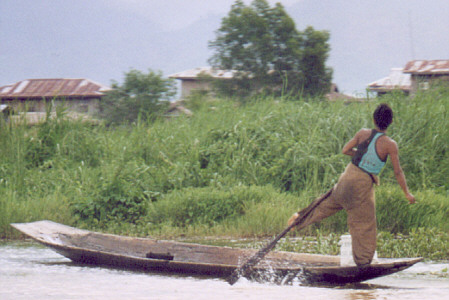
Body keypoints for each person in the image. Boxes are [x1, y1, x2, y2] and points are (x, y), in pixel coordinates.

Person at [288, 103, 416, 266]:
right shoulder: (390, 144)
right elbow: (398, 172)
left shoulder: (363, 133)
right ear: (390, 122)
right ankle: (363, 263)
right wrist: (407, 193)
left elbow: (345, 150)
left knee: (323, 205)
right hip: (361, 184)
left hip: (346, 177)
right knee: (364, 224)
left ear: (373, 119)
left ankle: (298, 220)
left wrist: (359, 154)